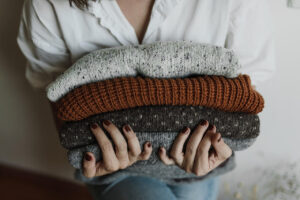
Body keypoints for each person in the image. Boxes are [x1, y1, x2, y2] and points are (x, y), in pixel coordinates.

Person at [16, 0, 275, 199]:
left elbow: (246, 88)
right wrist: (90, 157)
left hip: (201, 162)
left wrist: (222, 144)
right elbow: (58, 95)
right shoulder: (48, 5)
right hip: (116, 170)